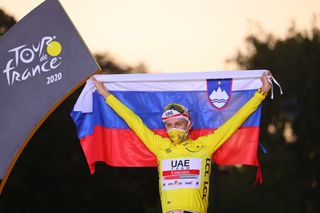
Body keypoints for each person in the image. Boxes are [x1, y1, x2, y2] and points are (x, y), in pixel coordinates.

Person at [91, 72, 272, 213]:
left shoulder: (206, 145)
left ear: (189, 124)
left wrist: (261, 93)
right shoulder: (160, 146)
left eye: (178, 124)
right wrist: (105, 93)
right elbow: (132, 120)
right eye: (169, 125)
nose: (173, 129)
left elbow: (235, 121)